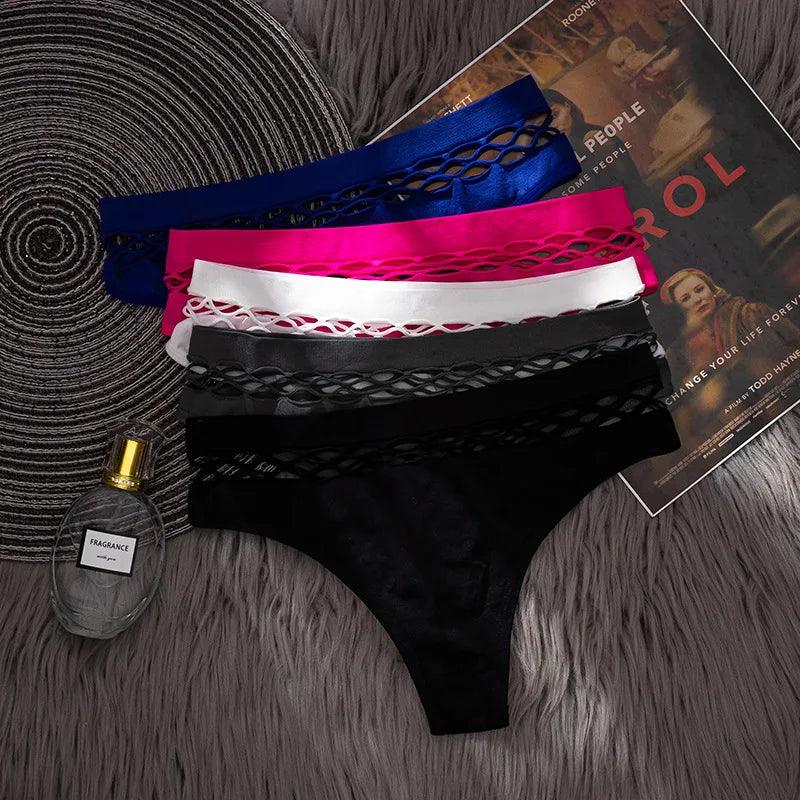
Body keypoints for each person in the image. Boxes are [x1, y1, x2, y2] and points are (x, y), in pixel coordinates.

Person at [660, 268, 800, 381]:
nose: (698, 299)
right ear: (681, 310)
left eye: (700, 289)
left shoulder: (753, 312)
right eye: (686, 298)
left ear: (712, 290)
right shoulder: (692, 347)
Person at [544, 89, 641, 188]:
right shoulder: (564, 150)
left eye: (555, 114)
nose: (553, 126)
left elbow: (627, 183)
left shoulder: (592, 137)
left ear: (567, 106)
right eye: (545, 124)